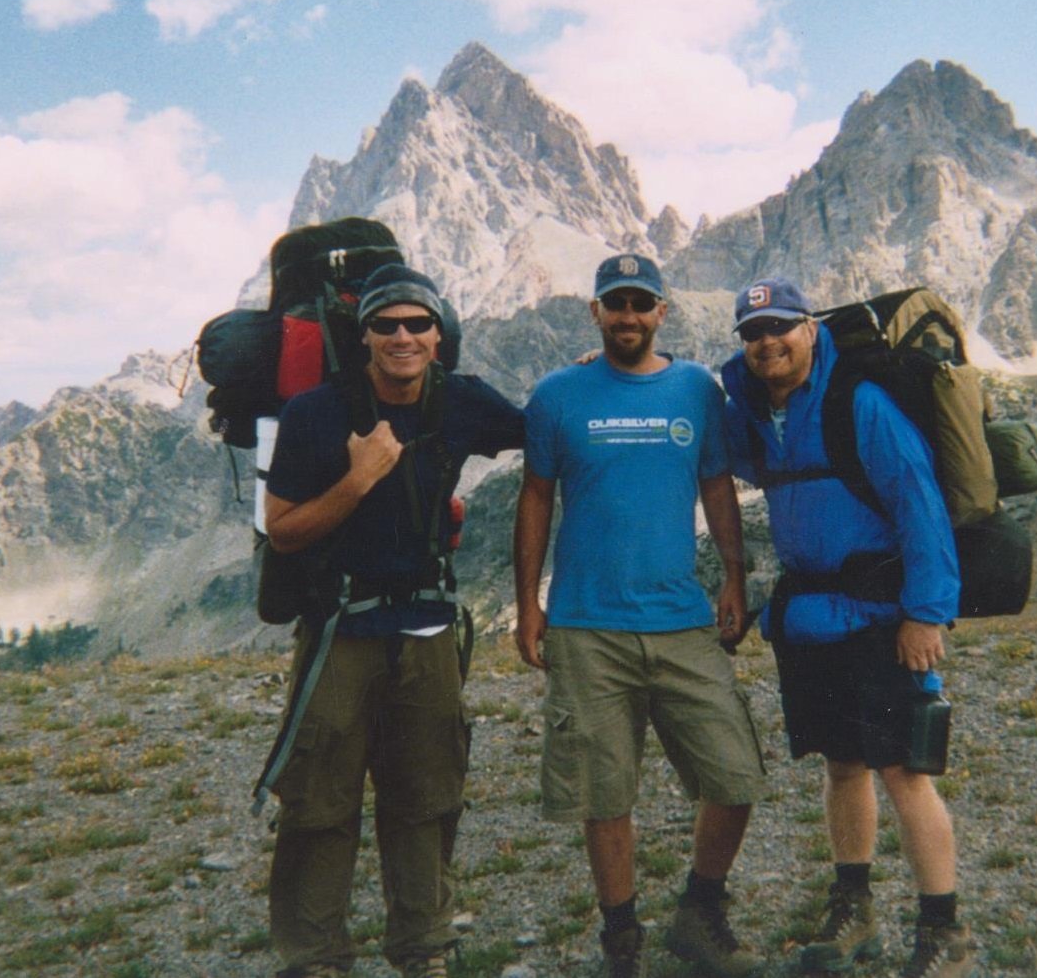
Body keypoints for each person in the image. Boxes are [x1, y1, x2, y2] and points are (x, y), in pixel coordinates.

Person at [261, 264, 524, 978]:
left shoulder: (461, 402)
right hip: (341, 626)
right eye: (386, 324)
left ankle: (424, 946)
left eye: (417, 324)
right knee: (319, 798)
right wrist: (359, 477)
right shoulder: (318, 413)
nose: (403, 336)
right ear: (364, 335)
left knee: (427, 792)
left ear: (439, 336)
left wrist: (593, 375)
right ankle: (315, 958)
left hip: (428, 626)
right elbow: (282, 529)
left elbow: (540, 431)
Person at [513, 253, 766, 978]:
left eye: (640, 303)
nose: (627, 316)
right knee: (603, 789)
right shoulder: (558, 392)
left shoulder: (695, 389)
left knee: (734, 773)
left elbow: (716, 483)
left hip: (680, 617)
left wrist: (734, 576)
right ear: (593, 311)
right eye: (614, 303)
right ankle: (620, 938)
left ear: (663, 311)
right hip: (587, 623)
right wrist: (529, 601)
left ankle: (700, 907)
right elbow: (536, 496)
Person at [721, 278, 977, 978]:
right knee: (842, 764)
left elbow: (917, 500)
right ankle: (853, 906)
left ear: (810, 329)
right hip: (810, 620)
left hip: (880, 617)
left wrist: (926, 611)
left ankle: (942, 930)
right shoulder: (759, 413)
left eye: (780, 326)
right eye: (751, 332)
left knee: (904, 770)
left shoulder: (860, 402)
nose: (766, 341)